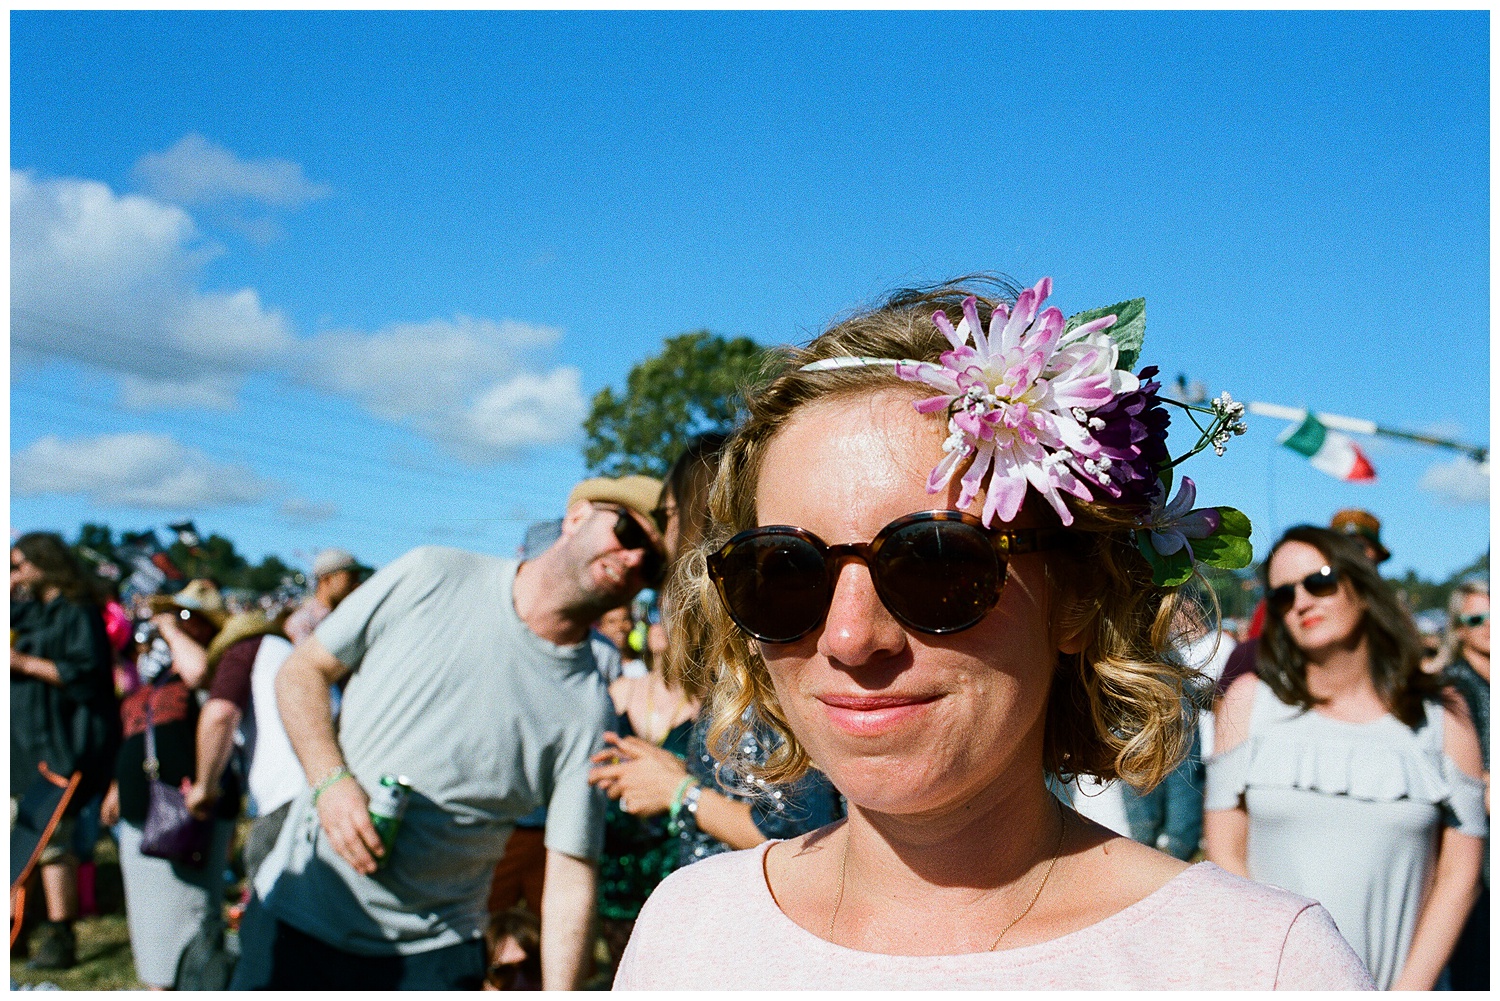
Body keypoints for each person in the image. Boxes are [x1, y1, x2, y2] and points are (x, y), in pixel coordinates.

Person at [615, 276, 1370, 988]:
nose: (849, 635)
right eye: (782, 572)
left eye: (935, 562)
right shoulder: (687, 933)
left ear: (1076, 597)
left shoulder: (1256, 965)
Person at [248, 473, 667, 990]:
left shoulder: (587, 707)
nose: (632, 559)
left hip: (435, 955)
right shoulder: (432, 574)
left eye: (650, 562)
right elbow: (302, 672)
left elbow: (569, 871)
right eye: (626, 531)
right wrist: (330, 780)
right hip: (300, 910)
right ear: (577, 516)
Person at [1204, 526, 1485, 989]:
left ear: (1364, 586)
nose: (1301, 601)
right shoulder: (1248, 702)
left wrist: (1407, 993)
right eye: (1281, 595)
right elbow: (1226, 854)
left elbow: (1460, 877)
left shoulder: (1444, 716)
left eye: (1319, 582)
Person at [99, 580, 267, 989]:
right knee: (151, 921)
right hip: (144, 812)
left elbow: (198, 674)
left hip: (188, 816)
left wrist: (172, 630)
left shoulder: (213, 665)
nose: (173, 624)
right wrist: (118, 786)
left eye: (188, 616)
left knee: (186, 924)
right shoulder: (159, 675)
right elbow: (142, 732)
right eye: (172, 616)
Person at [10, 533, 119, 971]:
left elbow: (88, 675)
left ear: (44, 564)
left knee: (53, 840)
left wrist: (21, 663)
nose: (14, 574)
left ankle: (60, 934)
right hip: (24, 742)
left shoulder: (77, 613)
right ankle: (19, 927)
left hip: (62, 742)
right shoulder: (32, 610)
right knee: (20, 838)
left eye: (19, 566)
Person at [1216, 507, 1393, 698]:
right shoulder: (1254, 668)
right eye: (1283, 595)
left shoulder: (1394, 624)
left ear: (1377, 555)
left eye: (1359, 548)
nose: (1301, 603)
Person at [1439, 575, 1488, 989]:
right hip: (1472, 851)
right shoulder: (1452, 688)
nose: (1490, 625)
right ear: (1458, 628)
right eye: (1478, 618)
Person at [282, 548, 362, 645]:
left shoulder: (347, 615)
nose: (357, 584)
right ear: (327, 579)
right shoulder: (303, 622)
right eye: (350, 578)